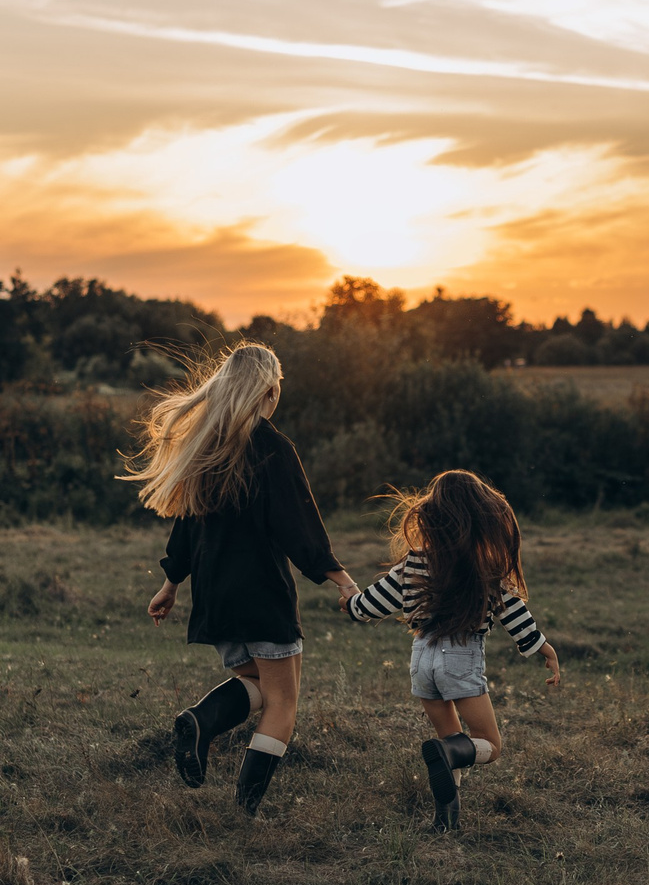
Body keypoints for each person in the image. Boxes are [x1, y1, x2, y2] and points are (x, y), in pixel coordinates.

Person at [127, 341, 357, 816]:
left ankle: (201, 720)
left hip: (215, 596)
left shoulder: (204, 444)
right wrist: (340, 578)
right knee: (283, 703)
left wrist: (171, 581)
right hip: (260, 594)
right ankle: (244, 808)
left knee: (257, 684)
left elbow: (187, 522)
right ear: (269, 391)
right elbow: (297, 523)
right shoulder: (271, 446)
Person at [340, 469, 560, 830]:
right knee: (487, 744)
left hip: (421, 656)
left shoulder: (412, 562)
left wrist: (349, 602)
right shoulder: (485, 565)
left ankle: (446, 820)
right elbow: (515, 613)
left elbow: (367, 607)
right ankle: (447, 758)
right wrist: (542, 648)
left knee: (452, 739)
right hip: (460, 655)